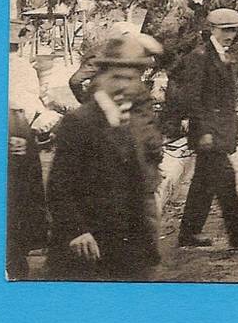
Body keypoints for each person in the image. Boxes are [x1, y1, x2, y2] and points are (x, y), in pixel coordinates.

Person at [45, 33, 164, 280]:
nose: (123, 85)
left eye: (131, 78)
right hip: (88, 247)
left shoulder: (133, 117)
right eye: (117, 77)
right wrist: (77, 230)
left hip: (128, 243)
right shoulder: (79, 122)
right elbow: (58, 186)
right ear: (102, 76)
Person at [177, 9, 238, 249]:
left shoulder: (223, 55)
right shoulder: (200, 56)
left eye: (234, 30)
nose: (230, 35)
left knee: (203, 183)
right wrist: (203, 131)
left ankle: (188, 233)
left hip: (219, 129)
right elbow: (193, 98)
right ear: (212, 29)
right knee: (225, 178)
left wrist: (234, 129)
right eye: (225, 30)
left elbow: (228, 100)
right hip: (208, 132)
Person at [7, 21, 52, 279]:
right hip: (16, 127)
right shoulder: (21, 67)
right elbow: (28, 103)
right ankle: (18, 257)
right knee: (20, 193)